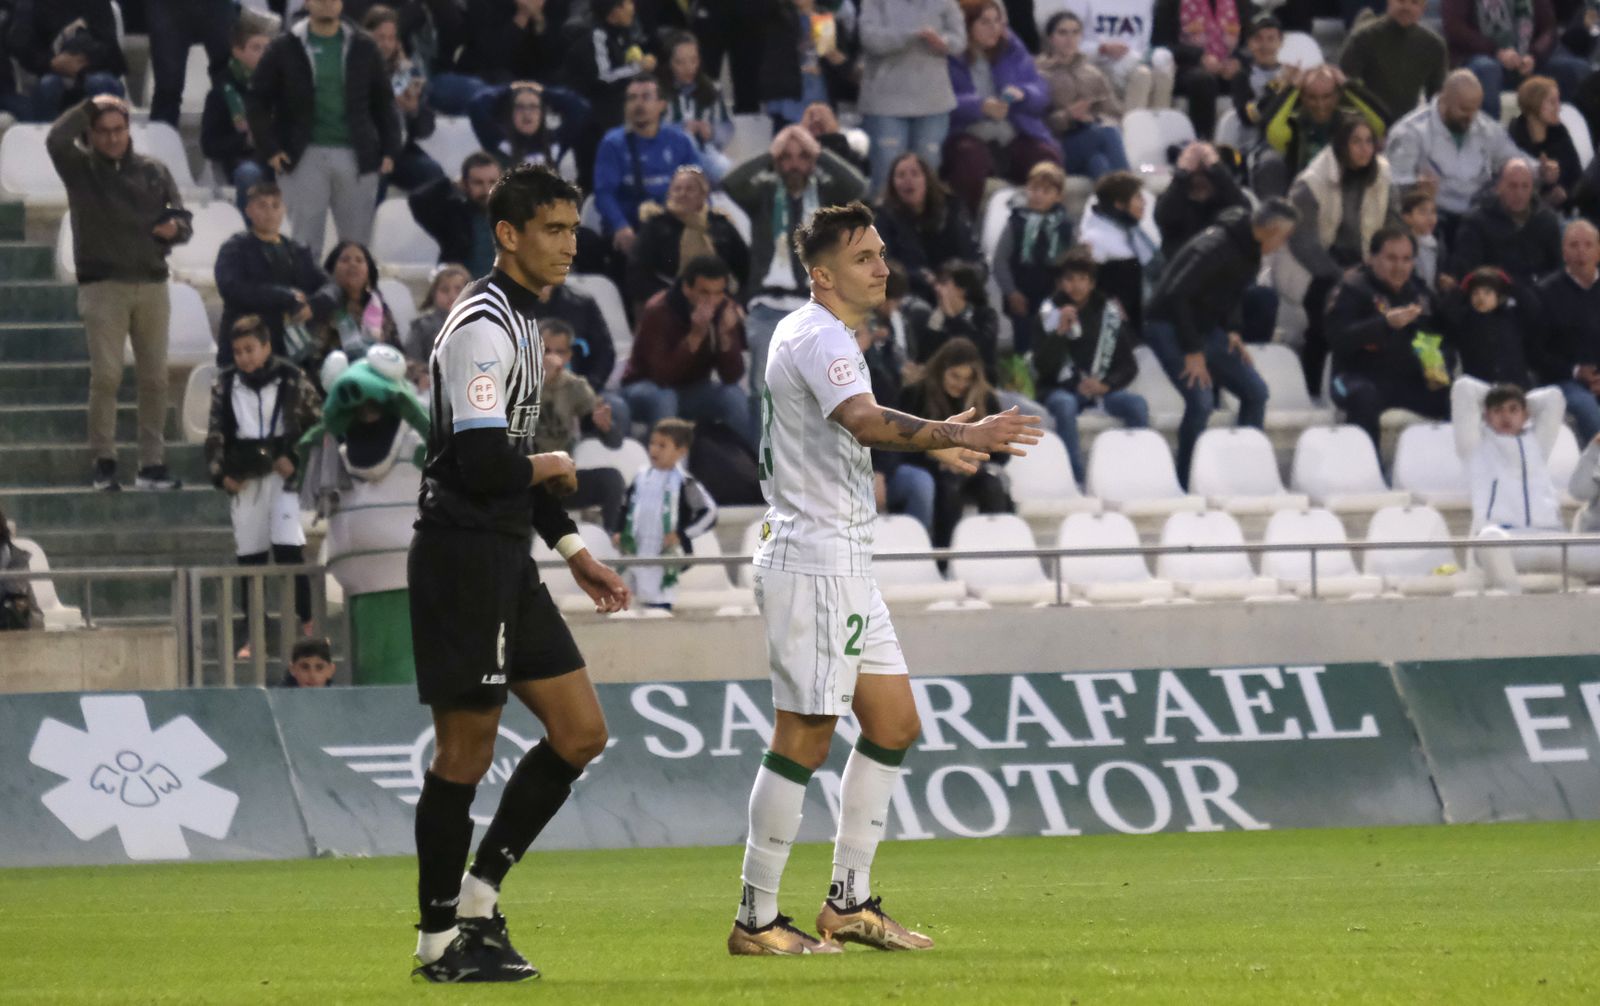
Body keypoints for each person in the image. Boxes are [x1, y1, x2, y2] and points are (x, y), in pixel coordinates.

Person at [730, 200, 1038, 955]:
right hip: (813, 562)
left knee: (895, 725)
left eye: (881, 252)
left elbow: (851, 428)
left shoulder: (827, 337)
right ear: (822, 273)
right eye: (865, 256)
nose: (882, 266)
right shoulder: (817, 334)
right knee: (804, 735)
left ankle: (849, 903)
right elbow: (864, 421)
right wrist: (958, 431)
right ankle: (756, 918)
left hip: (845, 562)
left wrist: (937, 448)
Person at [407, 163, 630, 983]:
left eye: (573, 229)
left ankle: (478, 899)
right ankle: (437, 943)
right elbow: (480, 461)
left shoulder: (523, 329)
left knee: (579, 733)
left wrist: (576, 554)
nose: (569, 244)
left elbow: (515, 469)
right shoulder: (481, 327)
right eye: (553, 229)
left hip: (507, 556)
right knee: (464, 753)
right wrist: (551, 463)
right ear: (508, 235)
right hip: (463, 556)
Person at [49, 95, 192, 492]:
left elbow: (182, 217)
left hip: (151, 282)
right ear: (91, 135)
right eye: (103, 131)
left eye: (119, 129)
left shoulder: (154, 170)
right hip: (103, 286)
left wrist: (175, 230)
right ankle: (105, 460)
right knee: (107, 375)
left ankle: (151, 464)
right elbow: (55, 140)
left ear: (129, 130)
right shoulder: (80, 169)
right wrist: (88, 106)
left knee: (155, 379)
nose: (112, 138)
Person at [1145, 200, 1293, 485]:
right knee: (1201, 402)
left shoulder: (1248, 248)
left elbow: (1231, 292)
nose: (1284, 244)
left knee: (1256, 392)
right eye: (1284, 237)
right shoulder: (1217, 247)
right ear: (1272, 231)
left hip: (1205, 327)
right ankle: (1187, 479)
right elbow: (1178, 295)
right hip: (1168, 324)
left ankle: (1245, 472)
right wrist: (1192, 351)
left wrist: (1233, 330)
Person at [724, 124, 870, 412]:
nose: (794, 165)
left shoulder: (828, 201)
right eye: (786, 157)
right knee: (764, 389)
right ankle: (762, 455)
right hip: (767, 306)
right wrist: (769, 153)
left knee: (824, 392)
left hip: (817, 306)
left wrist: (820, 152)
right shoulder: (763, 195)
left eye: (803, 157)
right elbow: (731, 183)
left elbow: (857, 186)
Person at [247, 0, 399, 260]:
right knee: (304, 248)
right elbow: (257, 100)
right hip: (302, 155)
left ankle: (356, 301)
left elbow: (384, 101)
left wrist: (390, 149)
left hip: (357, 155)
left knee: (357, 249)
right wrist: (270, 149)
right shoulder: (285, 46)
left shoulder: (364, 46)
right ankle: (307, 301)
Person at [206, 316, 322, 649]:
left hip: (282, 476)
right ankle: (254, 630)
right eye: (238, 351)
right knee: (250, 556)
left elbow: (319, 424)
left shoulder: (291, 378)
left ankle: (307, 621)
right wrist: (221, 474)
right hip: (245, 477)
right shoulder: (226, 384)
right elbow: (216, 433)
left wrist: (295, 460)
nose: (245, 357)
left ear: (267, 346)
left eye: (250, 349)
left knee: (289, 548)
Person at [1284, 113, 1398, 398]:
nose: (1363, 149)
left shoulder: (1382, 174)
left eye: (1369, 141)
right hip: (1318, 267)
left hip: (1367, 260)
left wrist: (1387, 260)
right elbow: (1303, 242)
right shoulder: (1310, 182)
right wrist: (1339, 274)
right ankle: (1313, 387)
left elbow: (1393, 221)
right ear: (1341, 145)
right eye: (1356, 141)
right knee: (1330, 307)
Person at [1450, 378, 1593, 589]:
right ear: (1486, 415)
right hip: (1503, 538)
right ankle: (1513, 601)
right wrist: (1499, 393)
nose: (1506, 416)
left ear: (1526, 414)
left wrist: (1516, 399)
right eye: (1498, 410)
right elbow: (1463, 389)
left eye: (1513, 410)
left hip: (1549, 536)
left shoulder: (1537, 443)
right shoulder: (1475, 447)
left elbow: (1553, 397)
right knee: (1490, 540)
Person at [1324, 225, 1451, 447]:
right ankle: (1369, 470)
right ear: (1371, 259)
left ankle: (1447, 468)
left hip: (1404, 380)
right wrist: (1384, 324)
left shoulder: (1418, 293)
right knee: (1364, 397)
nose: (1400, 266)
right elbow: (1338, 338)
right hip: (1355, 376)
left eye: (1406, 259)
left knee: (1453, 396)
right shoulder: (1352, 288)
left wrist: (1438, 371)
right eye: (1391, 258)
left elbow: (1433, 338)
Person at [1032, 250, 1148, 481]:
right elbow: (1042, 367)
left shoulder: (1109, 313)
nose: (1076, 286)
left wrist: (1106, 385)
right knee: (1064, 405)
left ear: (1092, 283)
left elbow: (1129, 365)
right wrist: (1060, 333)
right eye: (1070, 280)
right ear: (1060, 283)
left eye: (1082, 279)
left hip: (1101, 390)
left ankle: (1136, 473)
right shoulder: (1047, 314)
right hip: (1061, 389)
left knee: (1137, 405)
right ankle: (1075, 480)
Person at [943, 1, 1063, 216]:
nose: (995, 28)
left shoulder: (1012, 48)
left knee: (1045, 158)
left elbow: (1040, 91)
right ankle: (964, 227)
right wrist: (979, 106)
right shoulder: (950, 54)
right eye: (985, 22)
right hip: (967, 133)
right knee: (970, 160)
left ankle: (1045, 225)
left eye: (997, 21)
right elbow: (943, 99)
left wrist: (1023, 94)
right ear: (967, 24)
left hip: (1012, 132)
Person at [899, 338, 1017, 547]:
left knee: (993, 485)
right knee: (949, 487)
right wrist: (938, 458)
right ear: (941, 370)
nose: (960, 384)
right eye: (955, 376)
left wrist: (977, 458)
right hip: (931, 469)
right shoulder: (915, 395)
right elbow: (900, 445)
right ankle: (943, 557)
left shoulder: (985, 398)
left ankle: (997, 552)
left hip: (972, 469)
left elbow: (1003, 450)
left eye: (967, 379)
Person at [621, 255, 753, 442]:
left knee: (733, 396)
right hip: (644, 389)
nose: (712, 300)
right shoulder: (659, 310)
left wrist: (725, 338)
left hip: (691, 391)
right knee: (665, 398)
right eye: (704, 293)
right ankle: (662, 465)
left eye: (718, 293)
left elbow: (731, 377)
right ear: (686, 288)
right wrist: (696, 335)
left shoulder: (724, 309)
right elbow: (662, 376)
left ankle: (758, 464)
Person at [1386, 70, 1521, 232]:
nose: (1470, 117)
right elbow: (1394, 183)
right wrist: (1416, 190)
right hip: (1433, 217)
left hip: (1478, 215)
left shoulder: (1486, 127)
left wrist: (1538, 171)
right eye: (1464, 109)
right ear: (1444, 100)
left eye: (1475, 109)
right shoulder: (1410, 131)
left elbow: (1514, 159)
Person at [215, 182, 331, 368]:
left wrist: (313, 305)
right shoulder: (235, 248)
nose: (270, 211)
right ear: (248, 210)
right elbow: (232, 289)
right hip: (245, 349)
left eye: (275, 205)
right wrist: (283, 295)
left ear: (284, 210)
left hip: (291, 347)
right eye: (262, 205)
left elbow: (331, 287)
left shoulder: (297, 250)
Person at [857, 0, 966, 196]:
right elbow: (869, 39)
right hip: (884, 104)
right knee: (886, 178)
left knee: (928, 179)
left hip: (933, 103)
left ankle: (926, 226)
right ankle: (882, 225)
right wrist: (910, 35)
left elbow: (960, 40)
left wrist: (943, 42)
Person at [611, 418, 718, 610]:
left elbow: (709, 512)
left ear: (680, 452)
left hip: (663, 552)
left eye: (662, 445)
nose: (654, 450)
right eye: (652, 443)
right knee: (628, 602)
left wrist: (682, 535)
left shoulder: (685, 483)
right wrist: (619, 530)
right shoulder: (640, 477)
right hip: (635, 549)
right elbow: (625, 506)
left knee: (657, 601)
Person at [593, 75, 704, 258]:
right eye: (632, 98)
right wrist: (620, 226)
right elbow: (604, 194)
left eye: (646, 97)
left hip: (674, 225)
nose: (638, 104)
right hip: (631, 228)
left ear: (662, 104)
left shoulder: (680, 141)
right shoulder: (612, 143)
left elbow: (699, 187)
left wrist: (701, 221)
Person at [536, 319, 627, 528]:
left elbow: (615, 442)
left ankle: (608, 542)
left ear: (568, 356)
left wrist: (605, 428)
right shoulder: (513, 379)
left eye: (559, 352)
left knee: (612, 480)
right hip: (522, 475)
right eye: (546, 350)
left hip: (558, 479)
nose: (551, 358)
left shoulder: (575, 387)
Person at [1251, 64, 1388, 199]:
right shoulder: (1292, 126)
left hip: (1347, 197)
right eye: (1312, 97)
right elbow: (1268, 126)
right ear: (1302, 97)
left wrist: (1348, 85)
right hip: (1303, 198)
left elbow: (1383, 123)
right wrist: (1293, 87)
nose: (1320, 105)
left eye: (1327, 96)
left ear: (1338, 95)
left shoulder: (1351, 124)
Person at [626, 165, 750, 313]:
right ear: (669, 193)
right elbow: (637, 273)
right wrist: (670, 298)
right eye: (677, 189)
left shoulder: (719, 224)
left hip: (718, 301)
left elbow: (745, 268)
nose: (682, 194)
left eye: (690, 189)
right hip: (671, 303)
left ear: (703, 195)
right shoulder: (656, 225)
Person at [1443, 0, 1589, 121]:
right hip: (1480, 56)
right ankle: (1487, 142)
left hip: (1528, 61)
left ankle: (1571, 141)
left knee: (1576, 69)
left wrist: (1533, 55)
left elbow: (1549, 29)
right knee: (1487, 70)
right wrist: (1497, 52)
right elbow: (1455, 28)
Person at [874, 152, 980, 305]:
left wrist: (959, 277)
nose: (908, 180)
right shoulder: (883, 217)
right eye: (901, 175)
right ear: (892, 184)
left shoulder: (952, 210)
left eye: (915, 174)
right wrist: (922, 278)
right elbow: (884, 263)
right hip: (908, 293)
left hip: (955, 288)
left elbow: (973, 257)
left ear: (927, 179)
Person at [993, 161, 1077, 353]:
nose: (1038, 195)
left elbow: (1072, 262)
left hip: (1055, 297)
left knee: (1053, 348)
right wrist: (1011, 292)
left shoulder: (1065, 226)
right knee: (1026, 347)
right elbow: (1000, 260)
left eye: (1046, 191)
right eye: (1034, 189)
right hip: (1023, 298)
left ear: (1058, 196)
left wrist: (1065, 291)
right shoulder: (1016, 222)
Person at [1037, 11, 1131, 180]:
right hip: (1058, 146)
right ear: (1051, 38)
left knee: (1098, 162)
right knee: (1108, 132)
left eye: (1075, 32)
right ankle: (1130, 192)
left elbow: (1116, 113)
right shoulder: (1039, 73)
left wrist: (1093, 118)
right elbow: (1037, 121)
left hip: (1091, 136)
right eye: (1063, 33)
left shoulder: (1093, 73)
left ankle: (1111, 204)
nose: (1069, 39)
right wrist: (1068, 116)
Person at [365, 4, 446, 195]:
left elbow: (426, 128)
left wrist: (413, 110)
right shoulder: (354, 69)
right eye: (380, 38)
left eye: (391, 38)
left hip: (401, 152)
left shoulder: (408, 73)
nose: (386, 44)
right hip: (366, 151)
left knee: (433, 174)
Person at [1533, 219, 1600, 443]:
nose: (1581, 251)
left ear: (1598, 251)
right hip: (1564, 380)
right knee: (1587, 408)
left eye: (1588, 245)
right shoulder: (1546, 292)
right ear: (1564, 253)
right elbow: (1536, 352)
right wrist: (1576, 371)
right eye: (1574, 245)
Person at [7, 0, 127, 121]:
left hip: (96, 68)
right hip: (52, 71)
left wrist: (83, 61)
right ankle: (47, 138)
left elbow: (111, 49)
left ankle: (109, 135)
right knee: (48, 86)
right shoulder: (31, 4)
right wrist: (51, 63)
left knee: (100, 82)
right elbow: (21, 46)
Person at [1450, 158, 1561, 287]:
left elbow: (1558, 269)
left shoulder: (1546, 220)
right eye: (1512, 186)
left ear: (1533, 189)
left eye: (1525, 186)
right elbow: (1467, 273)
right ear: (1499, 187)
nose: (1519, 193)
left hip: (1539, 294)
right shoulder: (1476, 222)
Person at [1338, 0, 1448, 125]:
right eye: (1401, 1)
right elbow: (1345, 92)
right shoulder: (1363, 38)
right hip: (1365, 127)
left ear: (1423, 8)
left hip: (1409, 128)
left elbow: (1437, 101)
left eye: (1414, 2)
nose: (1406, 7)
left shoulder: (1434, 46)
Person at [202, 20, 272, 213]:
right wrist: (246, 140)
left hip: (280, 158)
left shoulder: (282, 88)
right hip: (243, 161)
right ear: (238, 51)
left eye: (268, 48)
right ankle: (253, 236)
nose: (265, 54)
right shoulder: (222, 93)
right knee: (249, 174)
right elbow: (209, 146)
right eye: (256, 48)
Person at [1079, 170, 1160, 335]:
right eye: (1138, 197)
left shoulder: (1135, 231)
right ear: (1119, 204)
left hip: (1143, 317)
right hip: (1115, 326)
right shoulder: (1095, 238)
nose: (1144, 202)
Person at [1151, 0, 1242, 140]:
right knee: (1203, 80)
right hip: (1185, 67)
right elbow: (1161, 44)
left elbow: (1249, 41)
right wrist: (1199, 57)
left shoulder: (1240, 3)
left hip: (1226, 66)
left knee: (1243, 77)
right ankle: (1202, 143)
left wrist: (1237, 61)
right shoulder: (1170, 4)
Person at [308, 241, 399, 378]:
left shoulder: (379, 307)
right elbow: (312, 357)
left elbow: (396, 351)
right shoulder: (322, 305)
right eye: (345, 260)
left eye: (359, 260)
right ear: (330, 272)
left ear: (369, 273)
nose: (353, 264)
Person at [408, 152, 503, 280]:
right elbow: (417, 200)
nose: (487, 190)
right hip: (462, 293)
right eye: (478, 183)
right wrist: (450, 183)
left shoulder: (515, 216)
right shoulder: (453, 217)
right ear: (464, 184)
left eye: (493, 182)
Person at [758, 0, 850, 130]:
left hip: (820, 98)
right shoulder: (778, 17)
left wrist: (830, 54)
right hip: (788, 99)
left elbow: (841, 66)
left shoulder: (825, 18)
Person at [467, 80, 588, 177]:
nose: (527, 114)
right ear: (510, 113)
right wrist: (510, 88)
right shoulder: (496, 139)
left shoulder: (554, 142)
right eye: (520, 107)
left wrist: (544, 91)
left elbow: (579, 107)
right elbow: (477, 105)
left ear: (542, 113)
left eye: (533, 107)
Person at [1068, 0, 1175, 110]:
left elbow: (1143, 43)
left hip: (1134, 60)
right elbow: (1070, 44)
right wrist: (1102, 48)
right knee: (1142, 75)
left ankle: (1160, 122)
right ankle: (1132, 124)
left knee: (1163, 69)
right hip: (1099, 63)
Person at [659, 31, 735, 182]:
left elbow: (727, 127)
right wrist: (680, 130)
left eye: (693, 60)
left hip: (708, 153)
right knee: (687, 141)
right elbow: (649, 131)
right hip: (667, 160)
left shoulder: (712, 89)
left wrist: (711, 131)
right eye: (680, 62)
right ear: (669, 63)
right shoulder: (658, 91)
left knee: (718, 163)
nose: (689, 68)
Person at [1154, 141, 1250, 254]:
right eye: (1194, 173)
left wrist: (1216, 167)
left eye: (1204, 171)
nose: (1199, 177)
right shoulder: (1173, 199)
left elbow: (1244, 211)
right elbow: (1163, 217)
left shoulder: (1226, 196)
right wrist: (1182, 174)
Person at [1448, 266, 1537, 386]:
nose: (1481, 298)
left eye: (1487, 292)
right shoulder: (1465, 320)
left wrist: (1510, 284)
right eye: (1475, 293)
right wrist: (1462, 287)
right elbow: (1445, 315)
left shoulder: (1512, 316)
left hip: (1515, 386)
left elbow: (1533, 306)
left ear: (1498, 295)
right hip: (1479, 387)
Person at [1508, 75, 1580, 210]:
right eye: (1552, 102)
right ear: (1534, 104)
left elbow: (1577, 178)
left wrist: (1566, 194)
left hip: (1565, 212)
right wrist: (1544, 199)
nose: (1558, 108)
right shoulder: (1514, 139)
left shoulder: (1560, 134)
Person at [1232, 13, 1286, 148]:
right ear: (1249, 43)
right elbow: (1250, 117)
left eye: (1271, 39)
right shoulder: (1242, 77)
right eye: (1258, 39)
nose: (1265, 45)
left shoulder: (1293, 75)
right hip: (1254, 146)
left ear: (1281, 43)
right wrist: (1278, 85)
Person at [405, 264, 471, 365]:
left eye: (458, 290)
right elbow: (412, 361)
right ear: (433, 294)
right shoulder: (421, 327)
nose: (452, 296)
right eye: (444, 290)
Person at [1402, 186, 1447, 291]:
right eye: (1423, 212)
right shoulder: (1403, 244)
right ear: (1407, 217)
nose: (1430, 218)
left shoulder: (1438, 243)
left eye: (1433, 212)